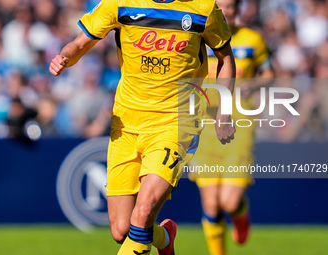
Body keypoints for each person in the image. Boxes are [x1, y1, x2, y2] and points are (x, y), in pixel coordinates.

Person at [49, 0, 236, 254]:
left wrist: (223, 111)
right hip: (127, 125)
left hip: (175, 124)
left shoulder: (203, 8)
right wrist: (64, 58)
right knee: (122, 230)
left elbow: (225, 59)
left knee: (145, 210)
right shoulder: (120, 3)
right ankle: (164, 238)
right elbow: (81, 43)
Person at [189, 0, 275, 254]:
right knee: (211, 204)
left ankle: (240, 212)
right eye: (221, 6)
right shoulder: (200, 35)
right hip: (204, 126)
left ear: (239, 10)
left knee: (229, 201)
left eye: (230, 7)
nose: (225, 12)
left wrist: (254, 85)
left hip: (238, 126)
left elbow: (270, 74)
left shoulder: (252, 40)